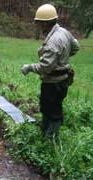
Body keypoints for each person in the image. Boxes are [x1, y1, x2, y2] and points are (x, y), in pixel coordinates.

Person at [20, 4, 80, 137]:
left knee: (53, 110)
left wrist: (29, 67)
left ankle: (50, 139)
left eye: (39, 23)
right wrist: (62, 59)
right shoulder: (64, 32)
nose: (38, 26)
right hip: (63, 79)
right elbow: (75, 47)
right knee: (48, 105)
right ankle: (45, 130)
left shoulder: (53, 42)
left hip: (53, 82)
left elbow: (45, 67)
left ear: (46, 23)